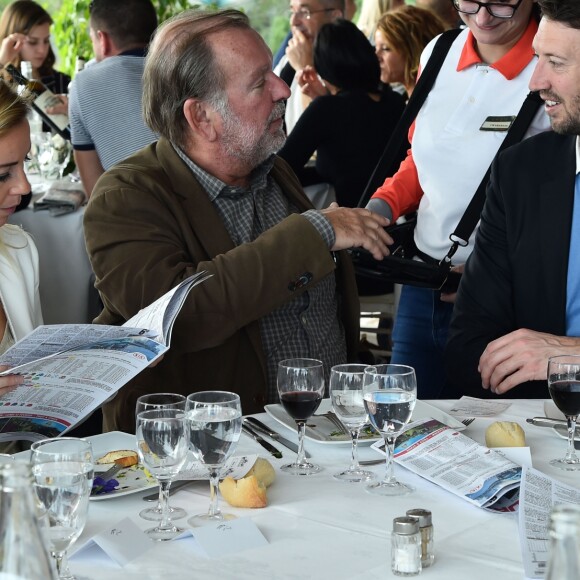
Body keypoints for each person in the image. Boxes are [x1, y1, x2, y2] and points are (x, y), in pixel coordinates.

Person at [83, 9, 392, 434]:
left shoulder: (272, 170)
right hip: (208, 460)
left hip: (325, 442)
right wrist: (315, 231)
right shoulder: (128, 197)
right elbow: (180, 316)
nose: (283, 89)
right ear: (201, 118)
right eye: (259, 82)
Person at [366, 0, 551, 398]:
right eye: (470, 2)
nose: (482, 18)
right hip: (422, 284)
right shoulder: (440, 50)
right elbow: (423, 158)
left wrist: (496, 274)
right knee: (405, 424)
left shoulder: (553, 62)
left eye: (501, 4)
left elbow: (562, 199)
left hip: (504, 300)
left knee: (492, 438)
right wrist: (379, 208)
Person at [445, 0, 580, 399]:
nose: (535, 80)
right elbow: (468, 347)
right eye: (537, 57)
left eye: (555, 62)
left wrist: (571, 355)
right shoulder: (520, 172)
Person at [278, 19, 405, 207]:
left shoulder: (327, 109)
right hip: (400, 213)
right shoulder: (395, 100)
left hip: (359, 224)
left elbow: (282, 169)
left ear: (324, 68)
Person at [68, 0, 158, 197]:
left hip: (139, 216)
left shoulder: (84, 83)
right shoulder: (183, 68)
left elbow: (96, 193)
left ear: (103, 40)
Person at [274, 0, 348, 133]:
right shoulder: (289, 60)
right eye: (292, 11)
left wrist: (305, 68)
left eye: (304, 12)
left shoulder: (353, 65)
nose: (294, 21)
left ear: (334, 16)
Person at [0, 0, 69, 118]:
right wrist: (2, 63)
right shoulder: (5, 83)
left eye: (46, 41)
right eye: (33, 42)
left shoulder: (61, 82)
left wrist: (73, 113)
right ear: (12, 40)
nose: (42, 50)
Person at [375, 5, 448, 98]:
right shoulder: (402, 99)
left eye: (385, 48)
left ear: (413, 50)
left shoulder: (434, 100)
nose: (377, 56)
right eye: (376, 48)